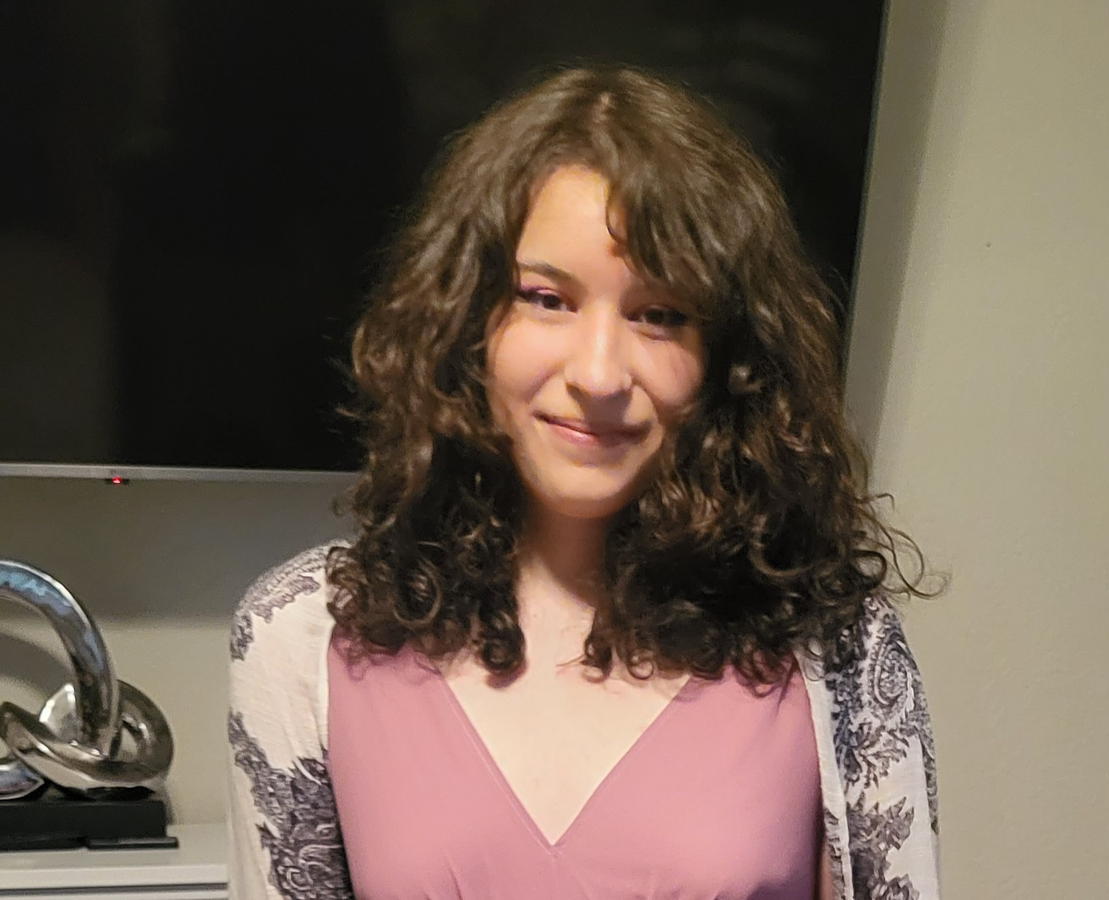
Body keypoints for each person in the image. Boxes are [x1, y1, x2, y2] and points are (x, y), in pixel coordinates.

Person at [227, 66, 939, 900]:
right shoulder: (301, 634)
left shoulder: (839, 648)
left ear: (729, 356)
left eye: (660, 314)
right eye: (546, 299)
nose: (598, 374)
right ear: (463, 320)